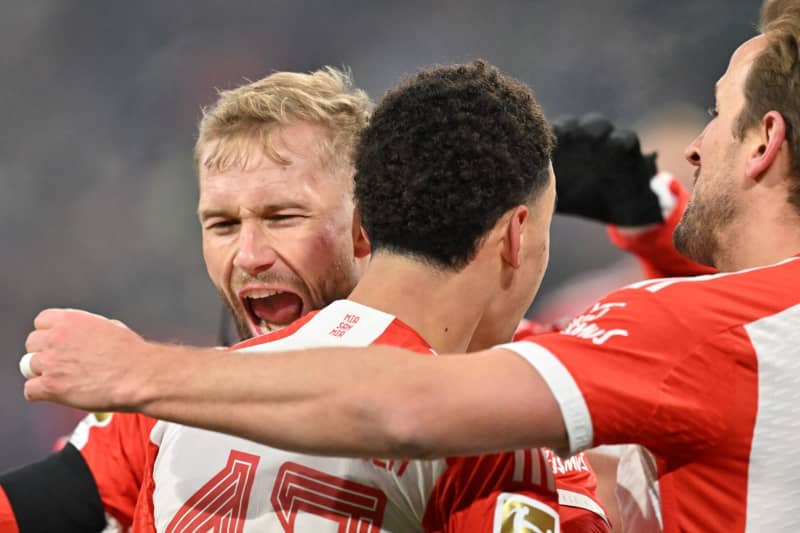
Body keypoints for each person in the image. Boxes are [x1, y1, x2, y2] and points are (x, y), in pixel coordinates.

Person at [21, 8, 800, 532]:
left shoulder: (167, 396)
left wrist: (139, 370)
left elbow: (406, 399)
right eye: (222, 223)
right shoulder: (166, 400)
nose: (249, 254)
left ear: (368, 222)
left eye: (283, 216)